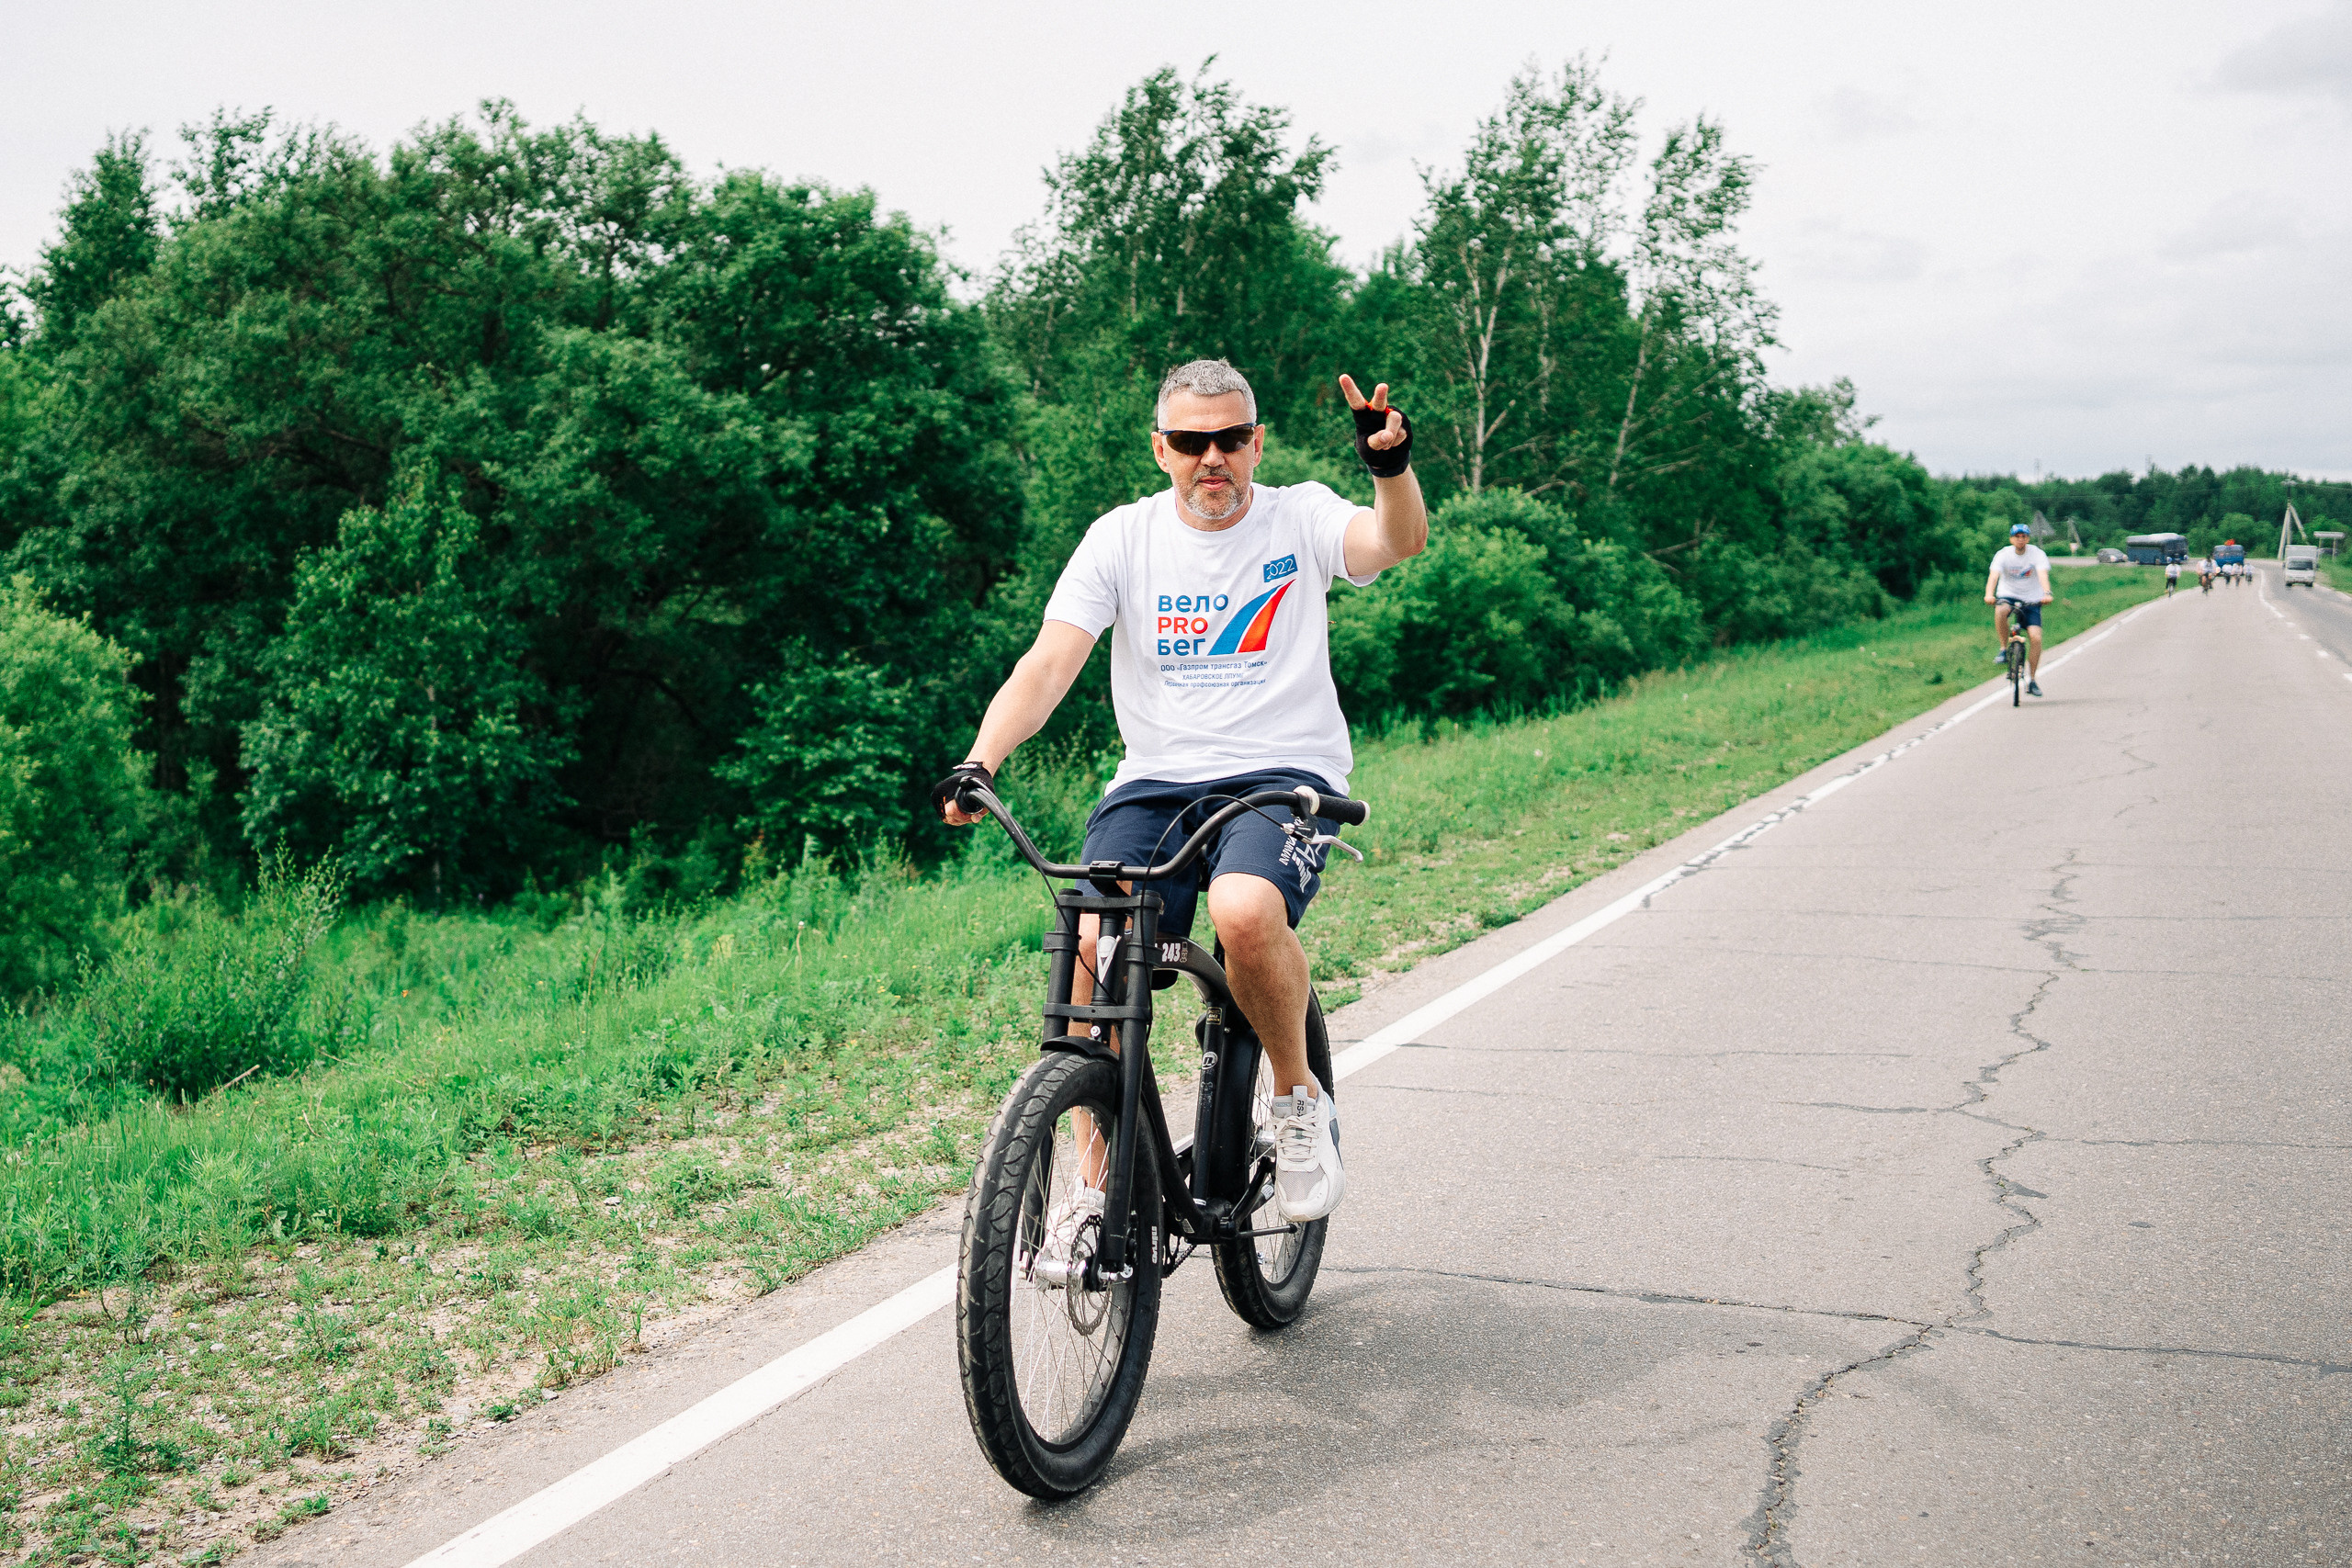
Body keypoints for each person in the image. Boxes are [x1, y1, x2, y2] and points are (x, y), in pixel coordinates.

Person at [933, 358, 1428, 1225]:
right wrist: (982, 760)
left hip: (1282, 775)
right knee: (1092, 942)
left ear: (1255, 442)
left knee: (1242, 912)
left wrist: (1389, 468)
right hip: (1157, 784)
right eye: (1192, 442)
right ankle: (1093, 1183)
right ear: (1161, 448)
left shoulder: (1300, 514)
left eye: (1231, 439)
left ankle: (1299, 1101)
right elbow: (1049, 664)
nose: (1213, 458)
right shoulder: (1121, 537)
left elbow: (1396, 542)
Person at [1986, 522, 2052, 697]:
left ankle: (2032, 680)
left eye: (2024, 536)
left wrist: (2047, 593)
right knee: (2000, 610)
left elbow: (2043, 575)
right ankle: (2003, 649)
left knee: (2036, 638)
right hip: (2008, 594)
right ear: (2011, 539)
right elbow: (1994, 576)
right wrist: (1989, 594)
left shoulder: (2037, 554)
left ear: (2028, 539)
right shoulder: (2003, 554)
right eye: (2017, 537)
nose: (2020, 540)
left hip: (2032, 598)